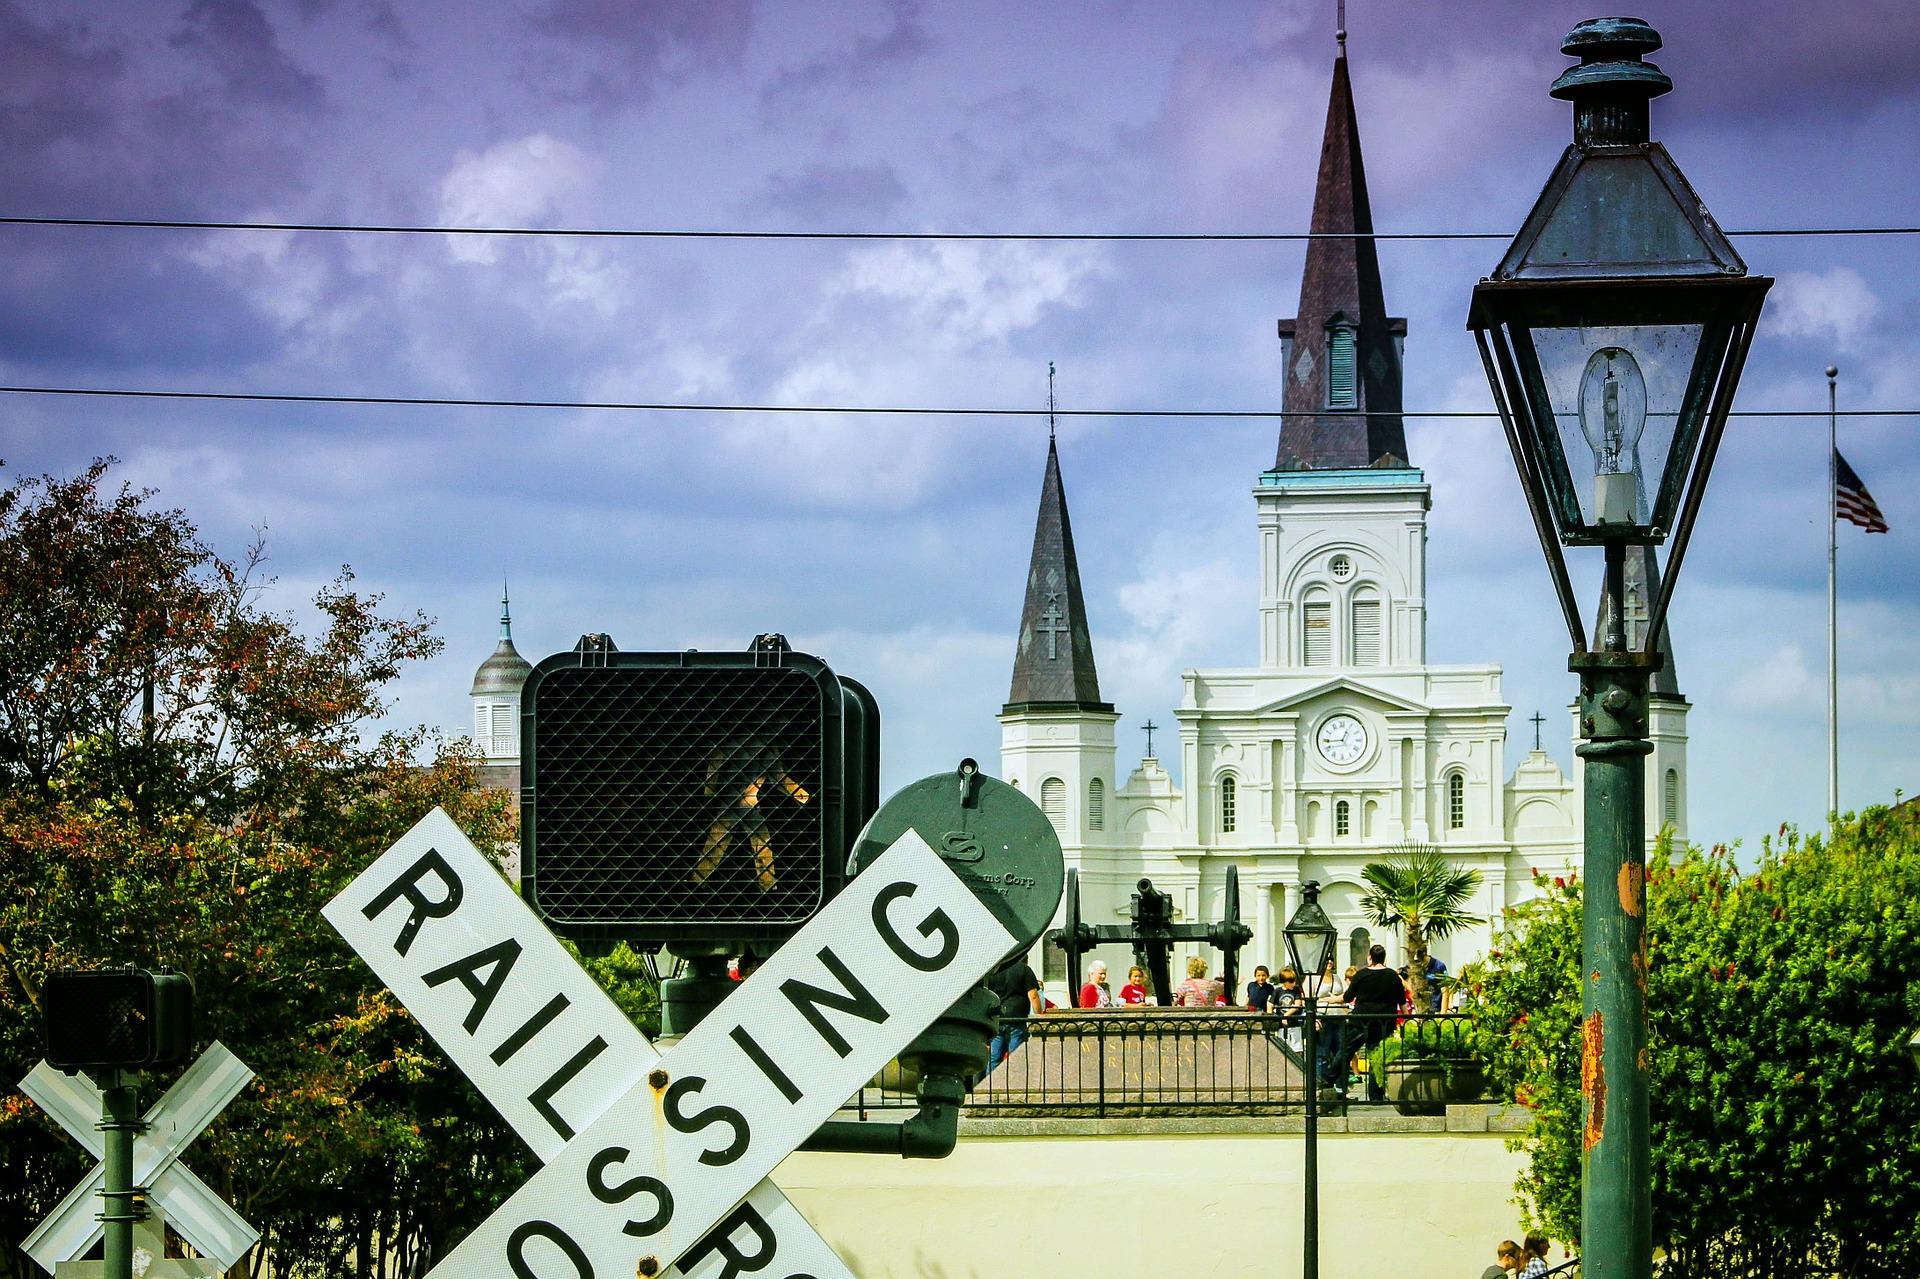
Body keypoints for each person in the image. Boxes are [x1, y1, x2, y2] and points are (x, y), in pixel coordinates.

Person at [1334, 944, 1406, 1100]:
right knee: (1377, 1058)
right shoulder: (1392, 976)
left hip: (1361, 1021)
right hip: (1384, 1022)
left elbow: (1347, 998)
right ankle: (1376, 1095)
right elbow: (1402, 1001)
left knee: (1345, 1051)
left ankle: (1328, 1079)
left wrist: (1328, 999)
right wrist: (1406, 1020)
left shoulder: (1361, 975)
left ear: (1370, 957)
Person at [984, 955, 1041, 1074]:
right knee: (1015, 1056)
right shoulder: (1024, 970)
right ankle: (1013, 1083)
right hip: (1017, 1017)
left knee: (994, 1056)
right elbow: (1033, 996)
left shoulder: (995, 970)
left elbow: (986, 994)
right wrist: (1039, 1014)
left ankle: (991, 1085)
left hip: (998, 1017)